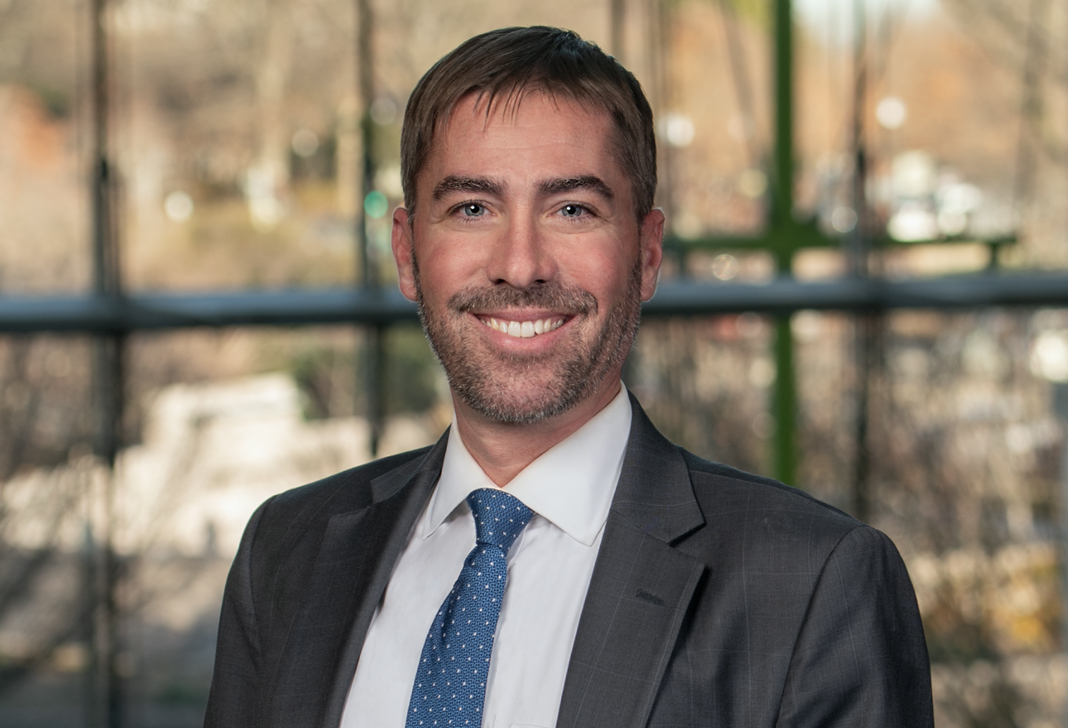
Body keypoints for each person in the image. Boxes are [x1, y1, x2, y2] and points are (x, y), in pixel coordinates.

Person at [205, 26, 933, 728]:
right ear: (406, 252)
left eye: (572, 209)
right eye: (472, 208)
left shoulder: (812, 585)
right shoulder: (288, 552)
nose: (520, 265)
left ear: (646, 254)